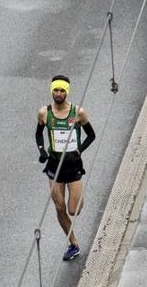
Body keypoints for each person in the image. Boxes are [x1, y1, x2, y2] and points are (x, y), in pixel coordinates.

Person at [36, 76, 96, 261]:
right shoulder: (44, 113)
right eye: (56, 90)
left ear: (67, 92)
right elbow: (38, 134)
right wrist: (42, 151)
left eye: (62, 91)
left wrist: (79, 150)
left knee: (73, 210)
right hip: (54, 165)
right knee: (59, 207)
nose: (59, 94)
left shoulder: (78, 112)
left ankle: (78, 195)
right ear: (52, 91)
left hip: (73, 165)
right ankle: (73, 244)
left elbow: (91, 135)